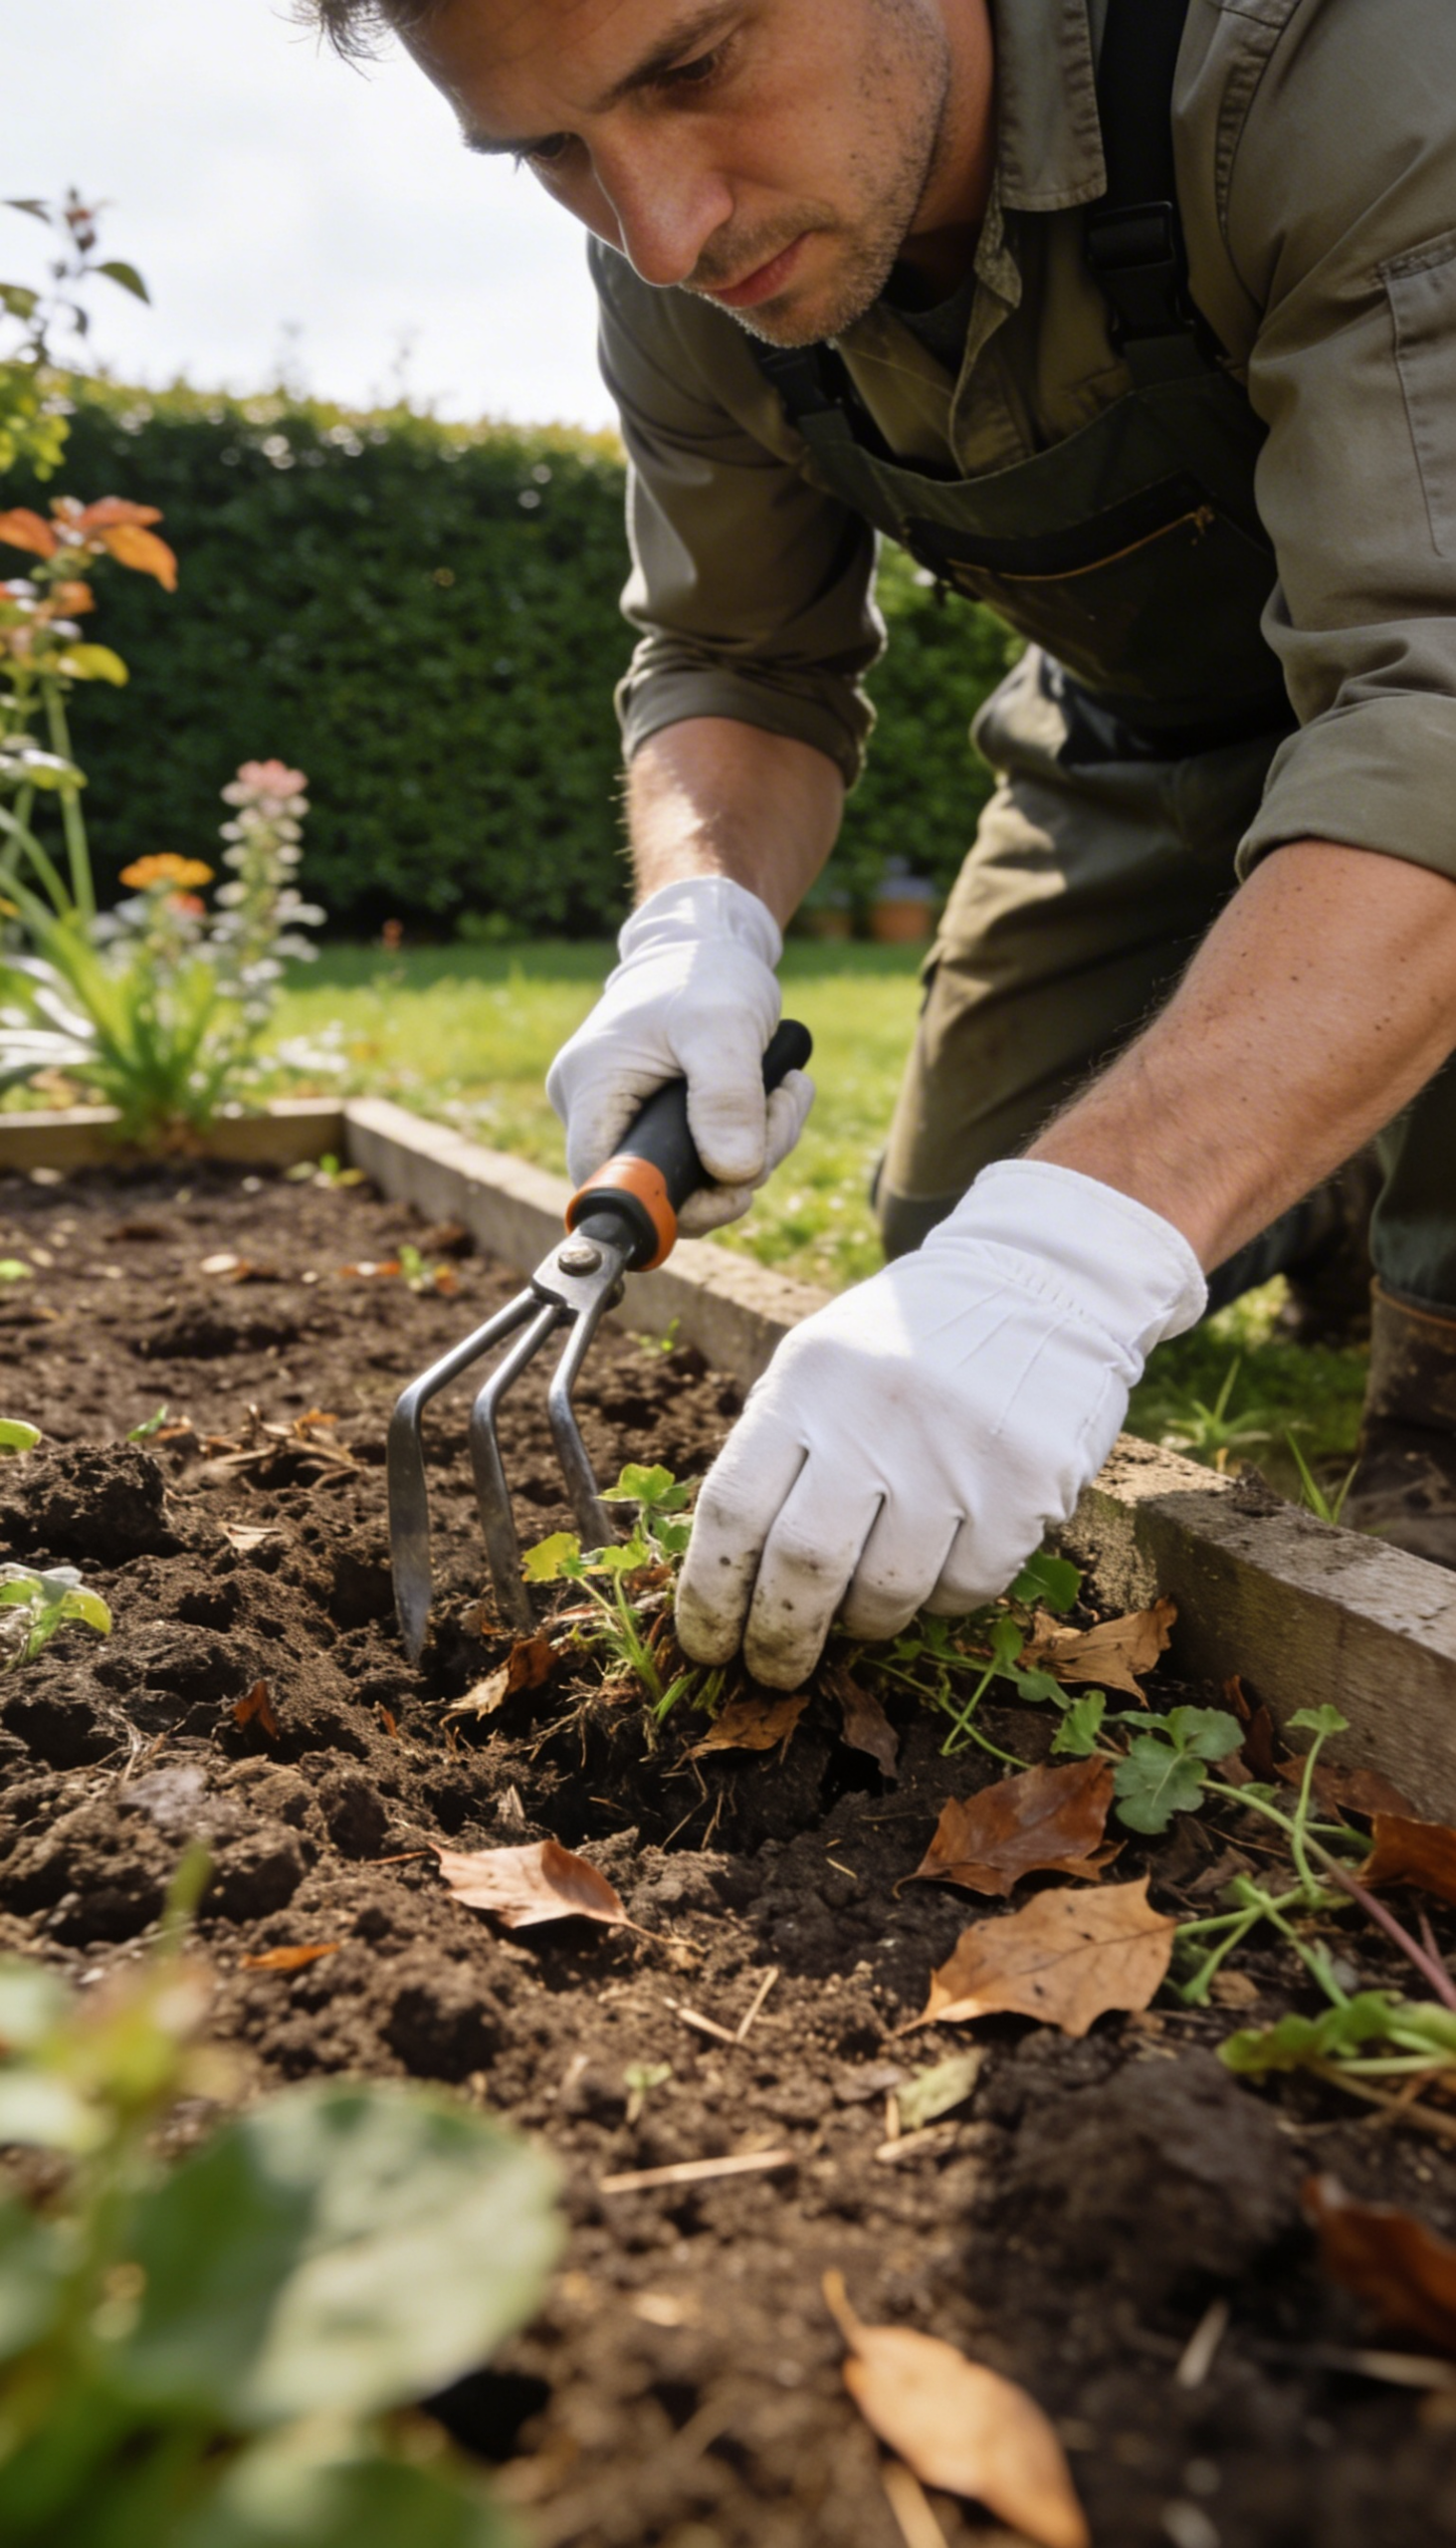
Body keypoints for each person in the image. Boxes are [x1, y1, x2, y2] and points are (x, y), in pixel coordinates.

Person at [307, 0, 1456, 1686]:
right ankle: (1328, 1161)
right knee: (947, 1249)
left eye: (692, 69)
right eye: (552, 150)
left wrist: (1088, 1245)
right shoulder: (680, 266)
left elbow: (1427, 700)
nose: (662, 230)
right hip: (1140, 735)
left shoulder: (1330, 58)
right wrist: (695, 926)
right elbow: (741, 659)